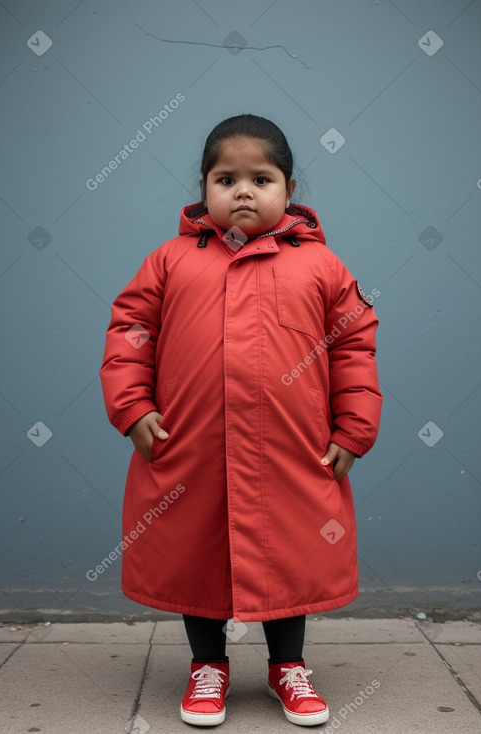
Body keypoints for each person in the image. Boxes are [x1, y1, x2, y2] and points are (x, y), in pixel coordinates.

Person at [100, 114, 382, 727]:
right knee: (193, 549)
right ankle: (208, 666)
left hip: (292, 447)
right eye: (226, 179)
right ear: (203, 187)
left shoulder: (321, 266)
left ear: (289, 189)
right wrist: (134, 408)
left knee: (293, 550)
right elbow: (130, 332)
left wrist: (353, 429)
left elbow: (355, 346)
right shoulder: (170, 261)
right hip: (190, 446)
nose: (244, 191)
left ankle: (289, 667)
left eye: (262, 177)